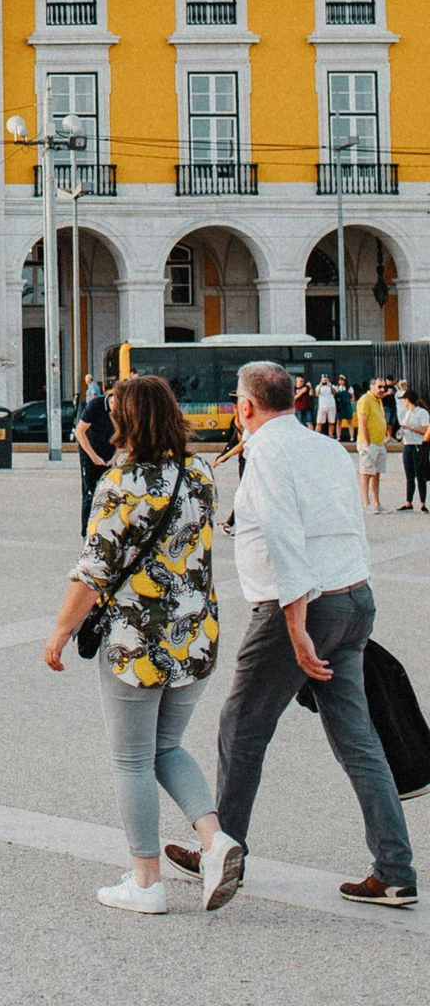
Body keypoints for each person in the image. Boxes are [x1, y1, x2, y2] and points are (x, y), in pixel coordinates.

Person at [166, 362, 417, 910]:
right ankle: (395, 871)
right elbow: (349, 525)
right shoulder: (327, 448)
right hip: (352, 596)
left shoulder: (266, 454)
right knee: (358, 739)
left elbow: (284, 537)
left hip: (301, 608)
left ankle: (222, 850)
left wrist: (298, 627)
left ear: (246, 406)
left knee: (242, 726)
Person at [42, 374, 233, 914]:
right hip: (195, 634)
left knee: (131, 760)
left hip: (137, 639)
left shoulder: (120, 483)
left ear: (126, 421)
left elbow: (93, 572)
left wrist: (60, 632)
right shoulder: (199, 472)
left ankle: (146, 883)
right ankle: (216, 840)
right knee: (166, 747)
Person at [74, 377, 114, 535]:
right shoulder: (96, 404)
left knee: (110, 492)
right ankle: (86, 533)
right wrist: (94, 457)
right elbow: (79, 432)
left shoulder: (125, 409)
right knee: (89, 494)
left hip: (108, 453)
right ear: (112, 400)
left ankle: (105, 530)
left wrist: (114, 458)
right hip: (89, 451)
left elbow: (125, 436)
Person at [354, 376, 389, 512]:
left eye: (384, 387)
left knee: (376, 474)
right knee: (366, 473)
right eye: (379, 387)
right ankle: (366, 504)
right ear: (372, 387)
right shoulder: (365, 400)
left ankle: (376, 503)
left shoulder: (378, 401)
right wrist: (367, 444)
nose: (382, 390)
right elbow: (362, 423)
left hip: (379, 443)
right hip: (369, 444)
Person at [398, 384, 430, 513]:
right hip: (407, 444)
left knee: (420, 475)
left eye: (404, 400)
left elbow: (425, 430)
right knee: (409, 475)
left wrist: (411, 428)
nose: (403, 402)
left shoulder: (421, 413)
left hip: (418, 445)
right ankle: (408, 502)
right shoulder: (407, 413)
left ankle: (422, 503)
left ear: (408, 400)